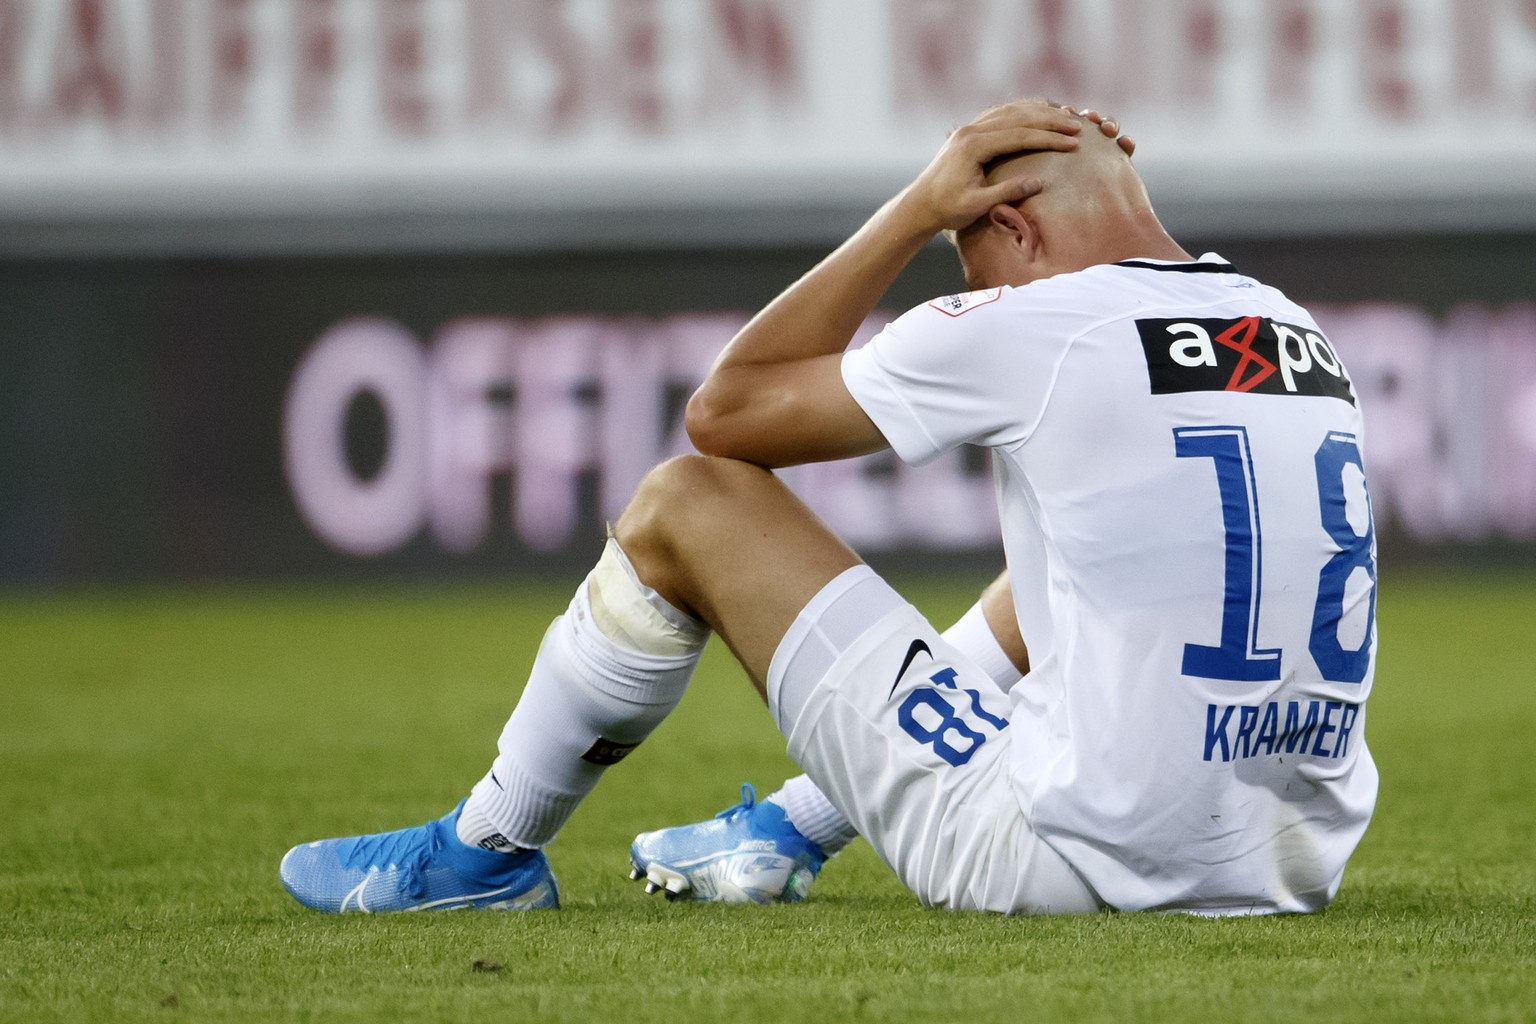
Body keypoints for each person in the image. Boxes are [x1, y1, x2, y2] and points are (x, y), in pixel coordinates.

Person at [280, 98, 1378, 916]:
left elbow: (728, 412)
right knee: (1068, 572)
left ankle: (485, 853)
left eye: (975, 252)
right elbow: (1116, 575)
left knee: (685, 503)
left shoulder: (1041, 324)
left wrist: (913, 206)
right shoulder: (1293, 329)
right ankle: (787, 828)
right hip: (1284, 864)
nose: (978, 282)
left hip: (1076, 860)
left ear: (1016, 228)